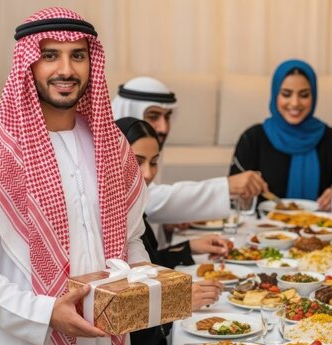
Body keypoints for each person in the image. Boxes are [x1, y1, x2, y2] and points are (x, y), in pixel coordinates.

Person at [0, 7, 150, 345]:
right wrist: (44, 313)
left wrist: (145, 283)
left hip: (103, 337)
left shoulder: (110, 143)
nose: (66, 70)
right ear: (29, 63)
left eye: (77, 56)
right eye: (50, 55)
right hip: (25, 344)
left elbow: (131, 238)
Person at [112, 76, 268, 248]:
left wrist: (169, 225)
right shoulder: (111, 158)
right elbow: (150, 200)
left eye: (167, 116)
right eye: (153, 116)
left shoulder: (149, 150)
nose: (163, 128)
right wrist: (227, 186)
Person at [115, 117, 225, 345]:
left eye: (154, 163)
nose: (147, 174)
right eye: (137, 161)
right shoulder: (107, 219)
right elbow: (119, 312)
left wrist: (188, 248)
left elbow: (149, 266)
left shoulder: (133, 207)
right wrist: (176, 304)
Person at [229, 59, 332, 211]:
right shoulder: (252, 139)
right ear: (275, 94)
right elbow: (232, 200)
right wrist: (243, 197)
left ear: (314, 96)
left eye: (304, 95)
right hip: (262, 231)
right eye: (286, 94)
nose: (295, 103)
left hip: (323, 230)